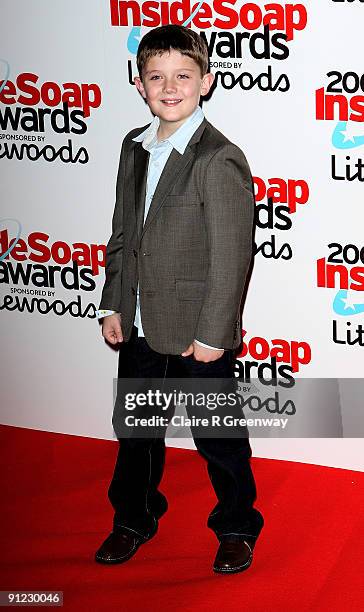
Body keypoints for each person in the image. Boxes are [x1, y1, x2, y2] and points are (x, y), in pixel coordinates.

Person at [95, 24, 264, 574]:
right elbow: (124, 232)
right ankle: (133, 519)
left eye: (183, 76)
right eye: (156, 77)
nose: (170, 87)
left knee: (217, 435)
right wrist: (113, 301)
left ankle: (237, 526)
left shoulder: (219, 158)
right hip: (141, 324)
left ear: (206, 82)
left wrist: (214, 335)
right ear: (139, 83)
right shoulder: (133, 147)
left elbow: (232, 256)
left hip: (199, 332)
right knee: (135, 433)